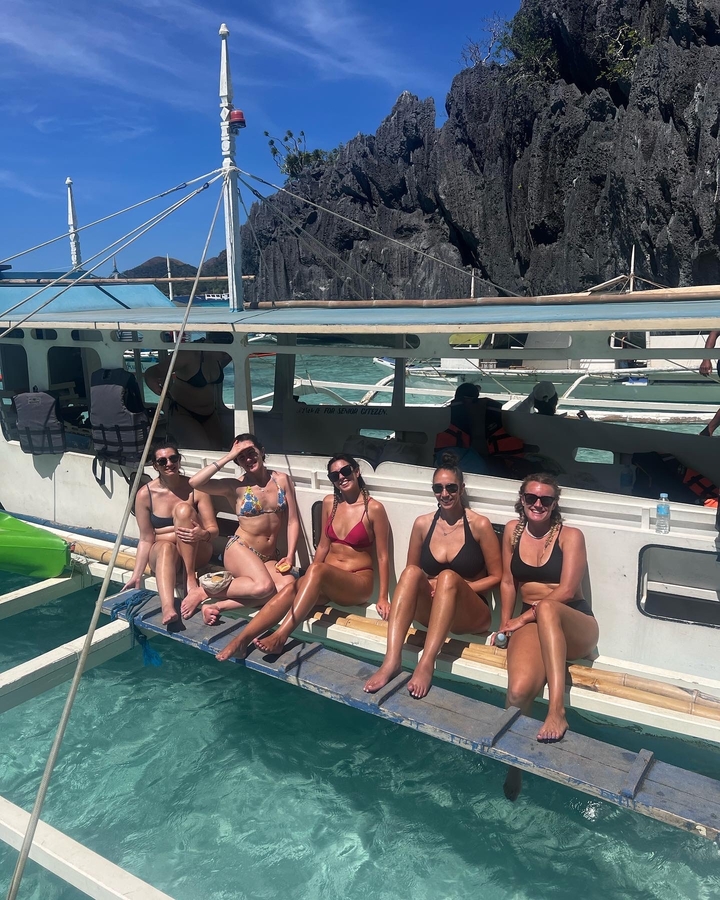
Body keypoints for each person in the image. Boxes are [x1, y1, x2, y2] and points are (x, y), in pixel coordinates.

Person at [215, 454, 390, 661]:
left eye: (345, 471)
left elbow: (382, 556)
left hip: (357, 583)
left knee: (317, 570)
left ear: (356, 471)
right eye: (335, 475)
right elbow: (324, 545)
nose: (341, 477)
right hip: (327, 580)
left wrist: (382, 597)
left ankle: (281, 636)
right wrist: (308, 580)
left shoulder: (374, 508)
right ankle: (242, 640)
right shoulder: (329, 503)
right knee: (291, 589)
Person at [494, 473, 598, 800]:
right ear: (522, 500)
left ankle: (557, 710)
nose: (538, 504)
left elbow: (566, 590)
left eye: (546, 500)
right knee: (518, 691)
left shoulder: (571, 536)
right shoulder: (512, 531)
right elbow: (509, 583)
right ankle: (515, 765)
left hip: (573, 620)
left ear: (555, 504)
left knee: (548, 608)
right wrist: (506, 622)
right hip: (531, 620)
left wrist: (523, 617)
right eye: (531, 498)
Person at [364, 452, 502, 699]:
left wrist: (456, 586)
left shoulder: (479, 525)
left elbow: (497, 576)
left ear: (461, 488)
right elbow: (413, 575)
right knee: (410, 573)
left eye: (451, 487)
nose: (445, 494)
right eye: (438, 488)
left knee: (448, 576)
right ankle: (391, 660)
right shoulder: (422, 524)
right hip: (434, 610)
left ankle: (427, 663)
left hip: (471, 614)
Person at [183, 433, 300, 620]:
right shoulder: (235, 487)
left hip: (268, 556)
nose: (248, 459)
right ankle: (205, 591)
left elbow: (293, 520)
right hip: (241, 549)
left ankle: (217, 606)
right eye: (241, 457)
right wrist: (229, 456)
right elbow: (195, 482)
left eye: (251, 452)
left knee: (287, 587)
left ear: (261, 451)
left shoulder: (282, 480)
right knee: (264, 587)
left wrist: (290, 554)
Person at [123, 441, 219, 626]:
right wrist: (137, 574)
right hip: (165, 557)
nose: (169, 463)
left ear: (179, 460)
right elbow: (145, 538)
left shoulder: (196, 489)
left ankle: (190, 578)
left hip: (196, 552)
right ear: (155, 465)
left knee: (183, 510)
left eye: (173, 458)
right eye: (162, 461)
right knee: (166, 547)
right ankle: (167, 607)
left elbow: (213, 529)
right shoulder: (145, 494)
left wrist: (203, 534)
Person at [144, 340, 232, 450]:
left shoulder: (223, 355)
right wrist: (151, 380)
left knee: (217, 451)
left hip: (209, 413)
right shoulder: (188, 353)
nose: (226, 354)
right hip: (182, 411)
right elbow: (155, 370)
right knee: (202, 449)